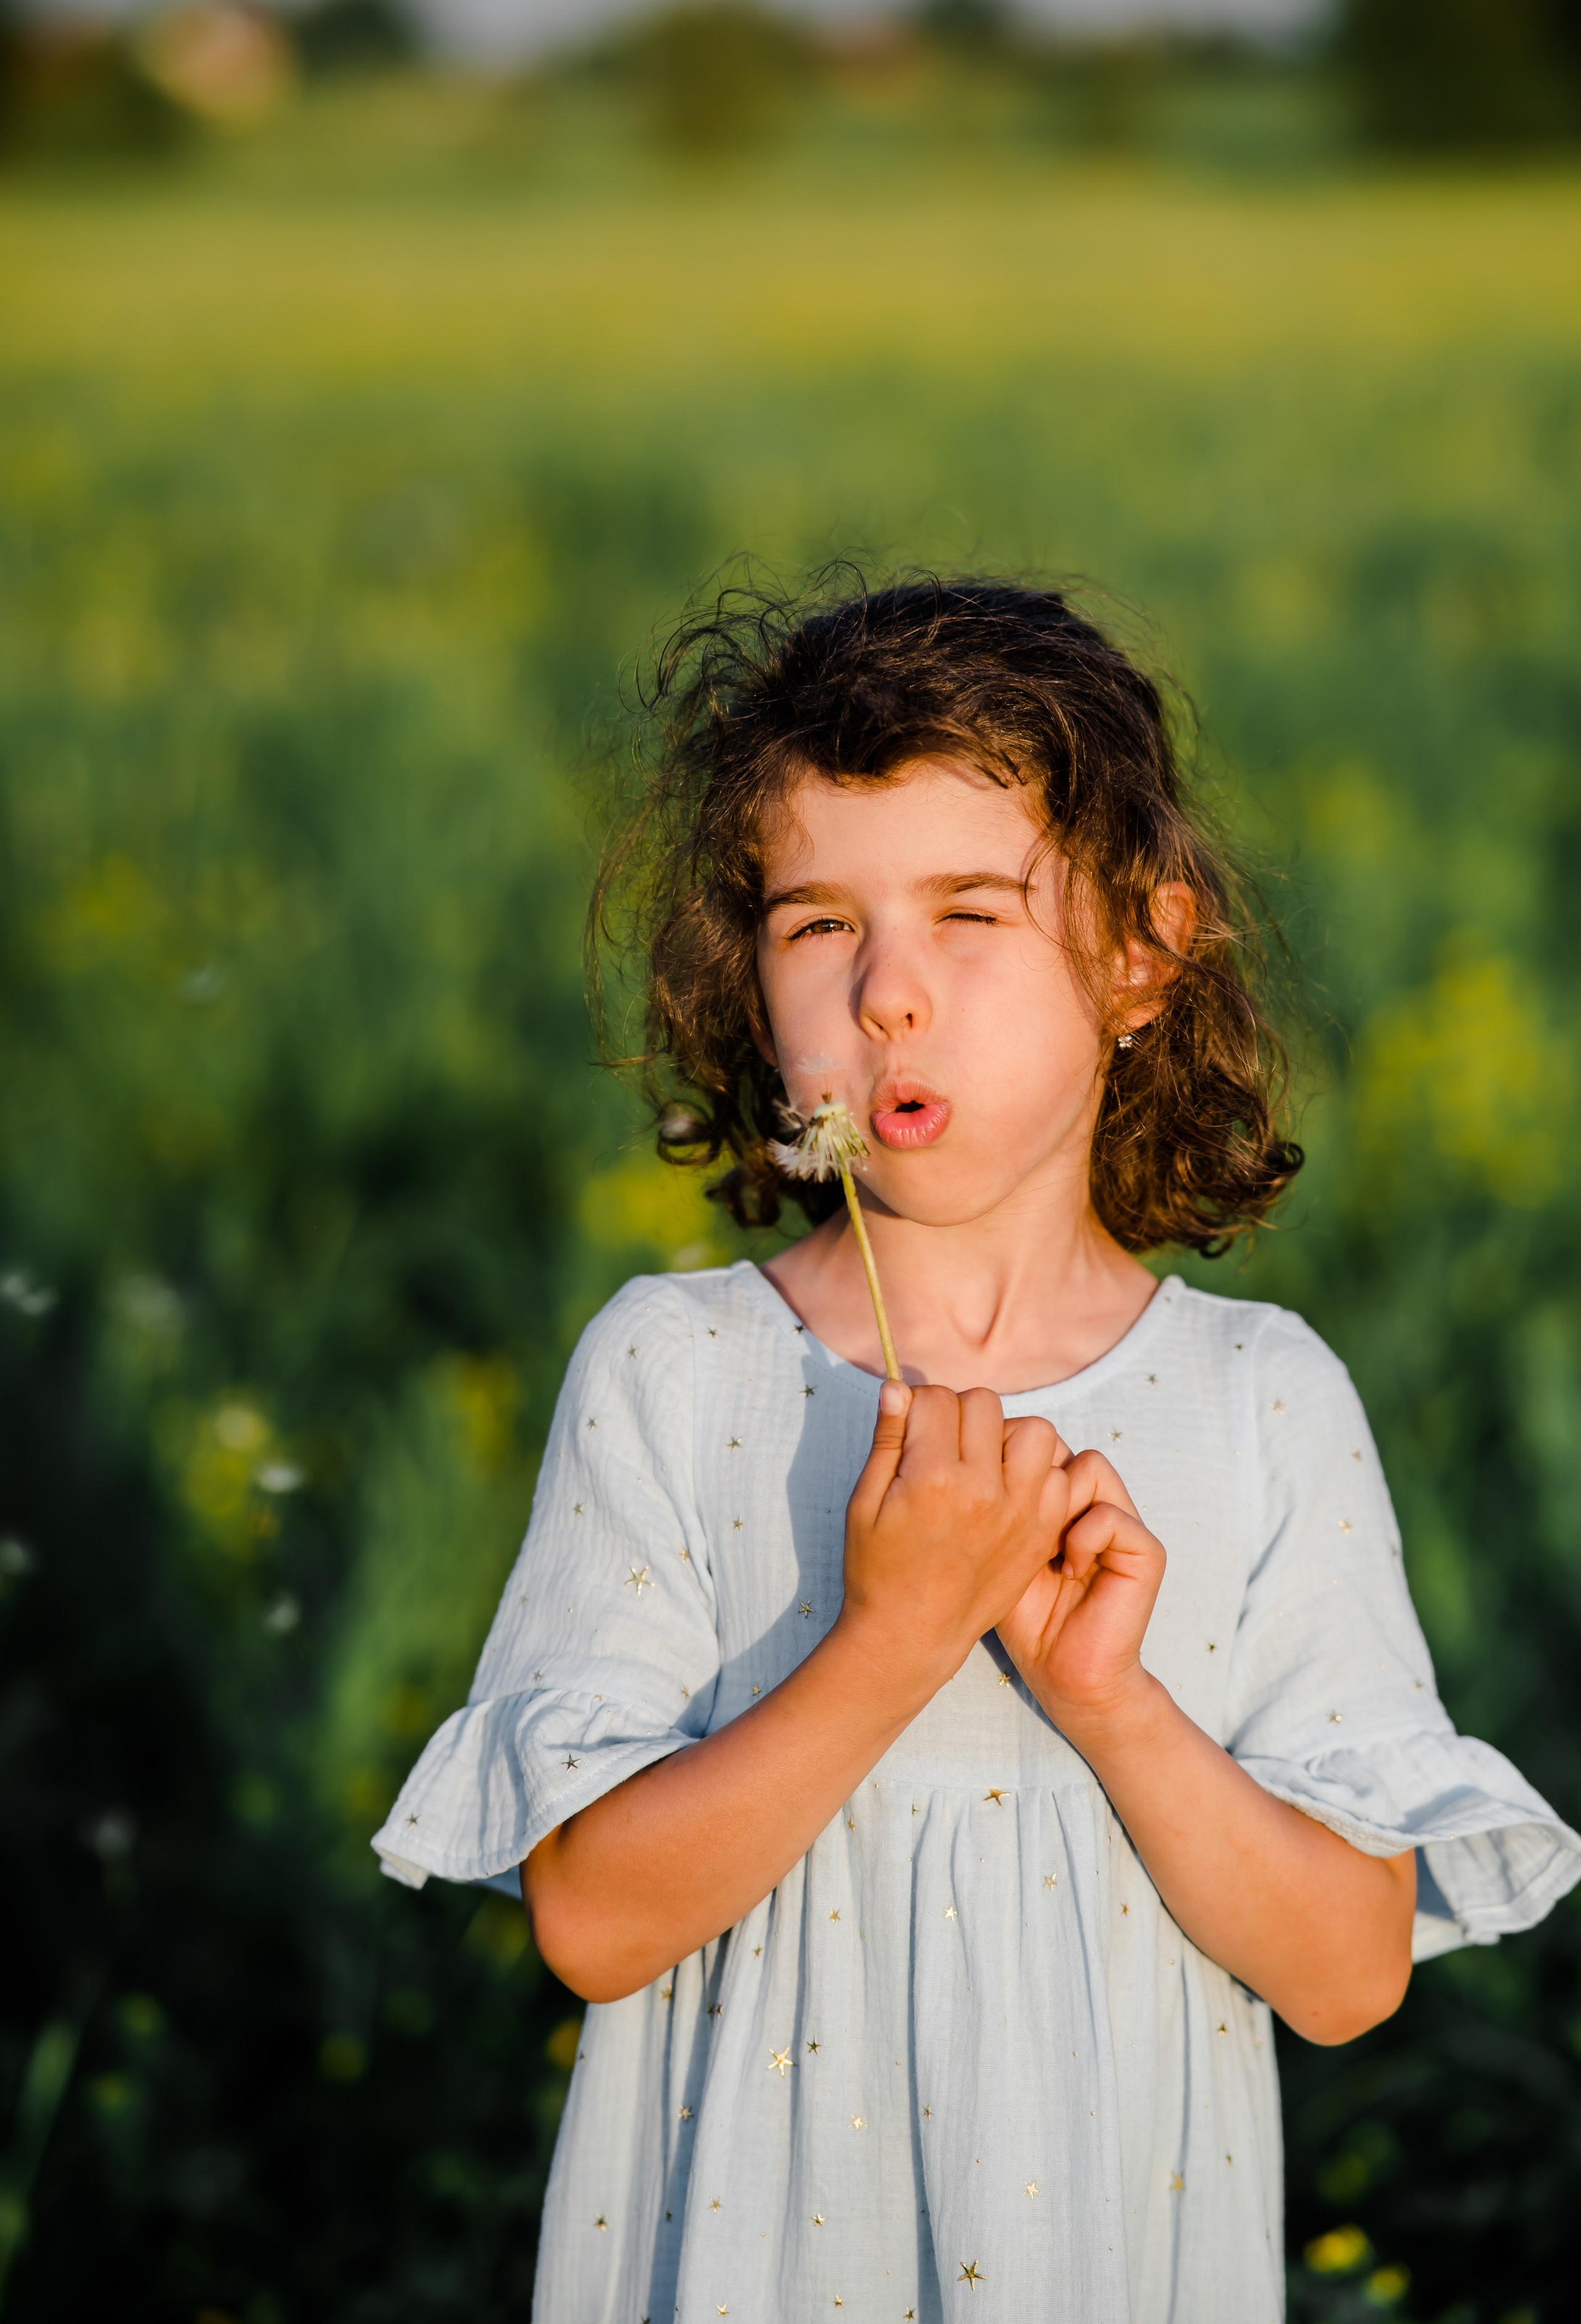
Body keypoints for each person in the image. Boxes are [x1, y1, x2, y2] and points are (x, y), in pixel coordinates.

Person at [375, 579, 1579, 2323]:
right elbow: (596, 1922)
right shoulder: (679, 1369)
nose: (889, 997)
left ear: (1144, 955)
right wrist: (893, 1635)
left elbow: (1345, 1973)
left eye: (971, 913)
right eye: (815, 925)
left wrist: (1110, 1702)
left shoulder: (1261, 1399)